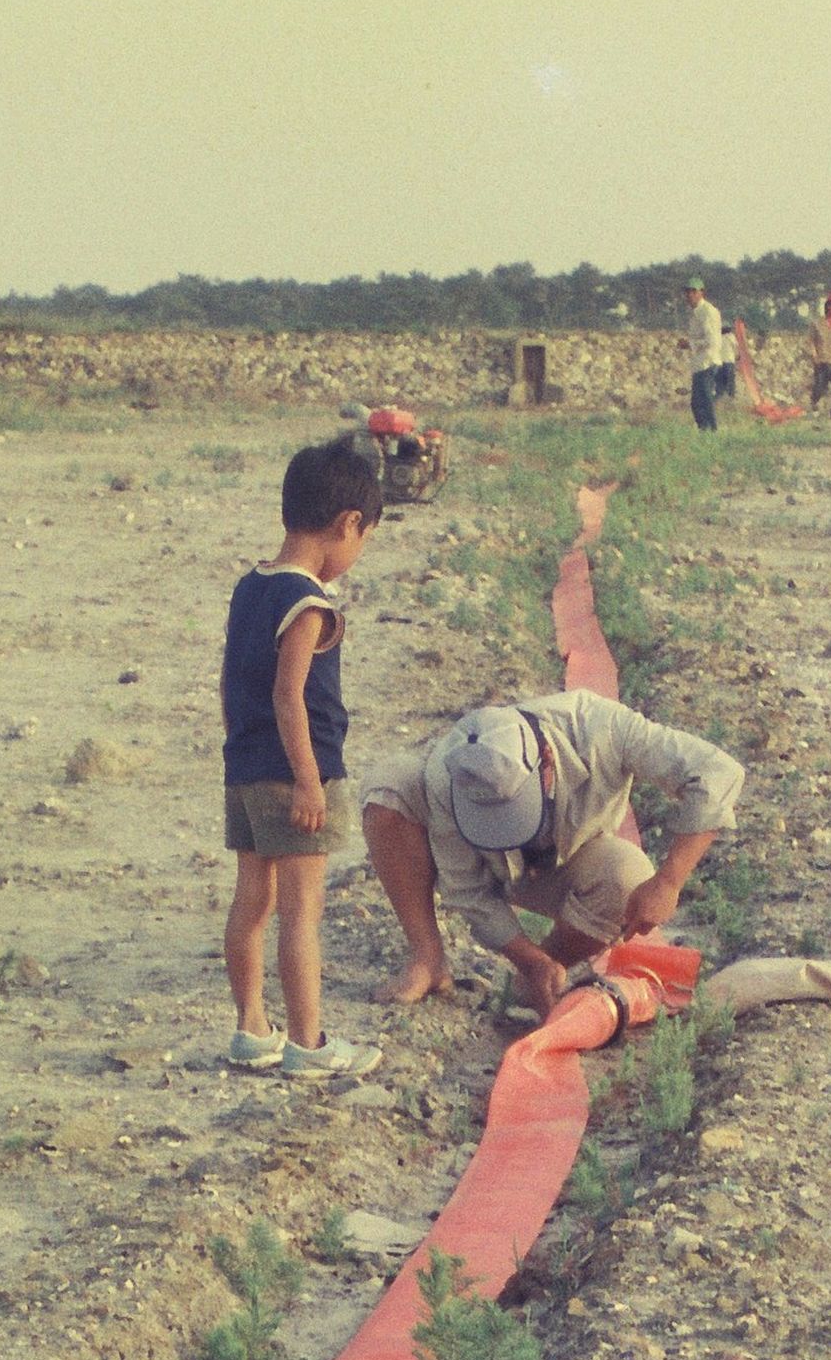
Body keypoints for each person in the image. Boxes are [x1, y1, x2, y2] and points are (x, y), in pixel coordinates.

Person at [359, 691, 745, 1012]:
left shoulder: (603, 727)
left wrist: (669, 880)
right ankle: (428, 958)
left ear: (545, 763)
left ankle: (543, 978)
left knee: (628, 879)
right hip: (496, 870)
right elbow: (467, 891)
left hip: (570, 859)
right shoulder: (448, 775)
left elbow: (717, 773)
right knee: (389, 787)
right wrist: (528, 957)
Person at [219, 433, 384, 1080]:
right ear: (347, 524)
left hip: (244, 769)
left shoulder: (249, 588)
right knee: (300, 913)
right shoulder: (309, 603)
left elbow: (233, 682)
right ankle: (308, 1043)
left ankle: (250, 1027)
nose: (356, 553)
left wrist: (239, 754)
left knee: (250, 902)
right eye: (362, 538)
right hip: (295, 776)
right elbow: (291, 698)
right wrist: (310, 784)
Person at [684, 281, 737, 432]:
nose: (690, 295)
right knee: (697, 402)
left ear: (702, 292)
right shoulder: (695, 313)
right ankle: (705, 429)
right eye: (688, 291)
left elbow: (711, 340)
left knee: (704, 399)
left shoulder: (707, 311)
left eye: (694, 291)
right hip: (700, 362)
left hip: (708, 361)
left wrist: (690, 344)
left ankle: (712, 429)